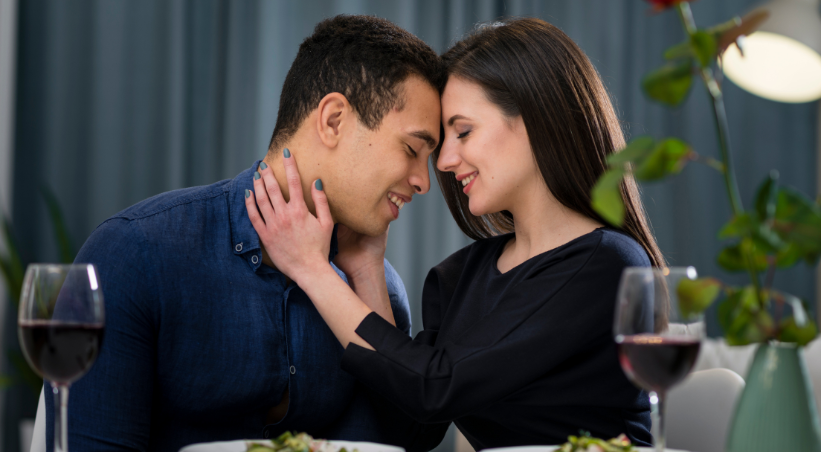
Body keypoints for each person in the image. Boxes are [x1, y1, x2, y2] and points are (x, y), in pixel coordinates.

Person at [246, 18, 666, 452]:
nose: (443, 161)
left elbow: (433, 386)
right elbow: (414, 428)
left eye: (463, 132)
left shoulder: (609, 264)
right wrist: (365, 266)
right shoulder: (461, 275)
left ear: (537, 117)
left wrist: (312, 271)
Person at [45, 15, 445, 452]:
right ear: (333, 120)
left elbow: (390, 445)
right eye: (411, 149)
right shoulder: (133, 255)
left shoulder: (376, 293)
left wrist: (366, 272)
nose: (423, 181)